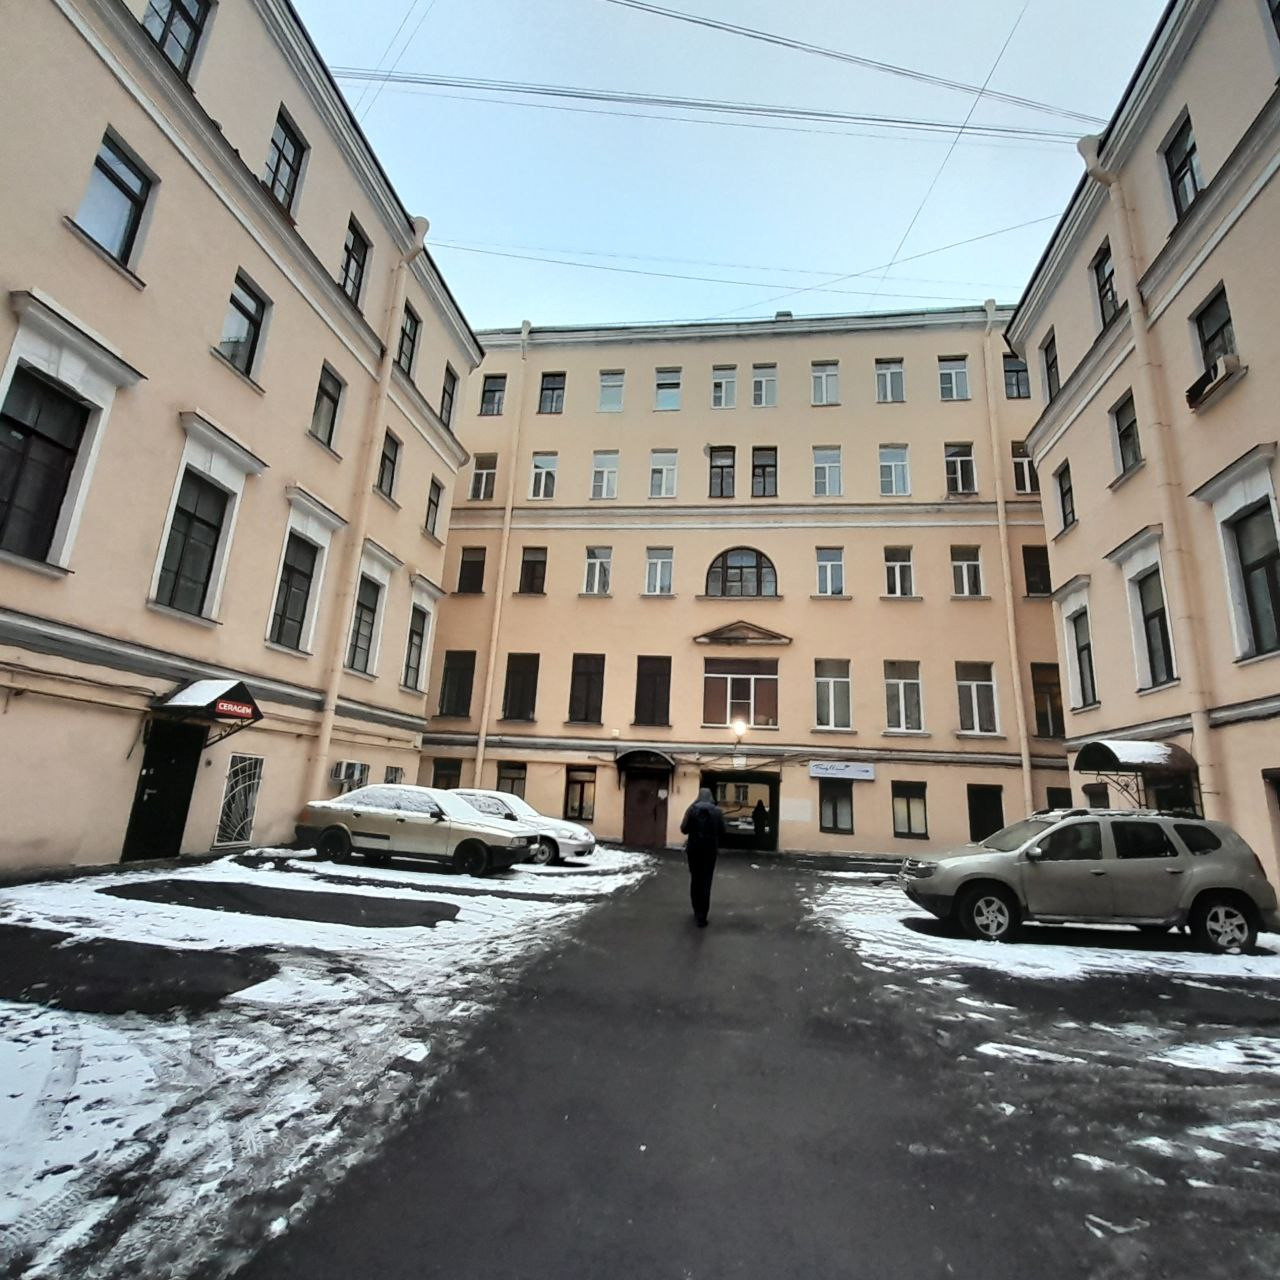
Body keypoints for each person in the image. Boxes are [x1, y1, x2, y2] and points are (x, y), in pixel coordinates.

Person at [680, 787, 726, 927]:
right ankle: (702, 916)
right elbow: (723, 831)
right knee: (706, 881)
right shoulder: (717, 811)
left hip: (694, 850)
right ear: (711, 796)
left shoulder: (692, 810)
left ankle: (696, 909)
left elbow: (684, 829)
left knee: (695, 879)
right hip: (710, 851)